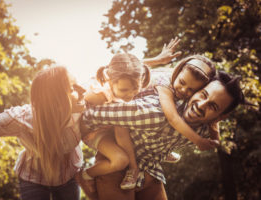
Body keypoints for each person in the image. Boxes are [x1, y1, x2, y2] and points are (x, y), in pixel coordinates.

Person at [81, 71, 247, 200]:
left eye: (213, 106)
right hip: (116, 169)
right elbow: (91, 114)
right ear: (197, 90)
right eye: (203, 95)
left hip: (150, 174)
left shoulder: (203, 131)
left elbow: (214, 138)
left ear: (219, 117)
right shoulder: (153, 113)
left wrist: (215, 131)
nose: (201, 106)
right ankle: (84, 175)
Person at [76, 38, 182, 196]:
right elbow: (78, 106)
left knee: (141, 111)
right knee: (121, 159)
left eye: (135, 89)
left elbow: (132, 66)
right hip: (96, 132)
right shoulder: (98, 95)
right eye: (124, 90)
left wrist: (158, 60)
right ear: (111, 81)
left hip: (116, 123)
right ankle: (86, 174)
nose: (131, 94)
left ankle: (159, 150)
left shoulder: (130, 80)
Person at [0, 67, 85, 200]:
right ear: (57, 101)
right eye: (73, 88)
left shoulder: (86, 112)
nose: (83, 90)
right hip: (33, 177)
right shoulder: (23, 119)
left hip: (69, 176)